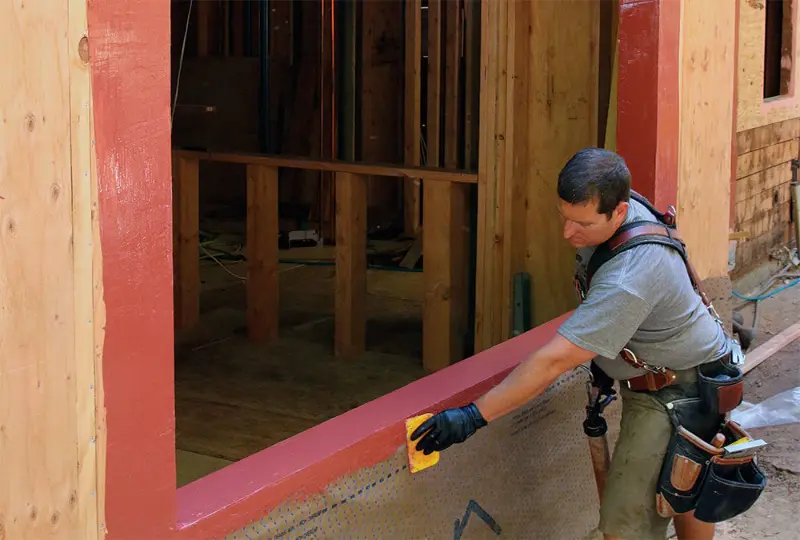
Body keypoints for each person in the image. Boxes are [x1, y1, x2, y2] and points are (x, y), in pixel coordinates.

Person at [411, 148, 739, 540]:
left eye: (581, 224)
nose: (568, 234)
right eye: (563, 216)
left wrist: (472, 416)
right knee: (683, 484)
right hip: (675, 371)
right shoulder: (618, 199)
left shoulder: (628, 279)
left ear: (618, 212)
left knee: (625, 524)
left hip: (678, 391)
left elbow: (554, 361)